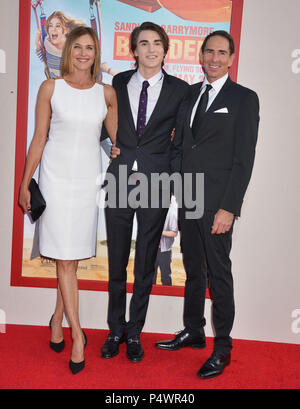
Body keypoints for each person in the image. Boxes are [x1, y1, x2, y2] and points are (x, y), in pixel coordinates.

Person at [155, 30, 260, 379]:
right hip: (188, 197)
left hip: (217, 205)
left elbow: (244, 159)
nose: (214, 58)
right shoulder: (190, 95)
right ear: (200, 56)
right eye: (209, 52)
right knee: (194, 269)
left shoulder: (244, 99)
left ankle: (223, 347)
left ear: (231, 58)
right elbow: (180, 145)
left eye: (222, 53)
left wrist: (229, 208)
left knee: (219, 274)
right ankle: (194, 330)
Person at [19, 26, 117, 374]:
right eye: (78, 47)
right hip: (56, 180)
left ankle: (57, 319)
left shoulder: (107, 93)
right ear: (68, 50)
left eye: (90, 48)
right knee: (64, 260)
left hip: (87, 183)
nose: (83, 53)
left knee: (70, 261)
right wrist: (26, 181)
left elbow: (115, 143)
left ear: (96, 53)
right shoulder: (51, 88)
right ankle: (78, 335)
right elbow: (40, 137)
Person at [101, 22, 189, 363]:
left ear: (165, 50)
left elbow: (180, 140)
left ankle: (135, 331)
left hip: (156, 182)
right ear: (133, 49)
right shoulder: (119, 82)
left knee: (146, 262)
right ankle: (114, 330)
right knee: (117, 261)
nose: (150, 49)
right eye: (143, 43)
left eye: (156, 44)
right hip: (120, 179)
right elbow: (106, 121)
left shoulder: (181, 90)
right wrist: (110, 144)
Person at [153, 196, 178, 286]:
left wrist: (159, 232)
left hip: (164, 251)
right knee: (151, 276)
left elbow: (174, 233)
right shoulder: (153, 211)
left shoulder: (171, 213)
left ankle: (168, 299)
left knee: (165, 277)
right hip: (152, 249)